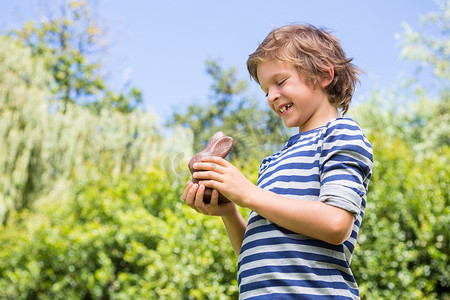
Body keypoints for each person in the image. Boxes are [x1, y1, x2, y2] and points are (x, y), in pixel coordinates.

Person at [181, 24, 373, 299]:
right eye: (265, 90)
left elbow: (335, 223)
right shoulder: (273, 161)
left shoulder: (340, 133)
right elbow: (262, 252)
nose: (271, 96)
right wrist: (230, 212)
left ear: (324, 74)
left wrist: (248, 193)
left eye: (280, 82)